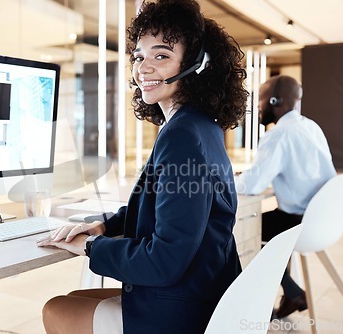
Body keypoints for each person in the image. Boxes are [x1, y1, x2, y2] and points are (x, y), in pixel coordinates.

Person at [38, 0, 248, 333]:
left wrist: (92, 248)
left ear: (197, 65)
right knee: (75, 297)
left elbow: (165, 260)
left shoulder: (182, 137)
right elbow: (168, 209)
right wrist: (105, 227)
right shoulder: (202, 126)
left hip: (184, 313)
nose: (143, 68)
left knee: (55, 310)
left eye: (161, 56)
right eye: (139, 56)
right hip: (206, 293)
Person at [235, 75, 336, 319]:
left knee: (241, 233)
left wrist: (229, 177)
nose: (258, 107)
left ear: (274, 100)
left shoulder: (279, 134)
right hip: (323, 218)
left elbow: (252, 185)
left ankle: (259, 304)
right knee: (271, 228)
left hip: (300, 222)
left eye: (260, 100)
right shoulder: (310, 126)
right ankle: (290, 293)